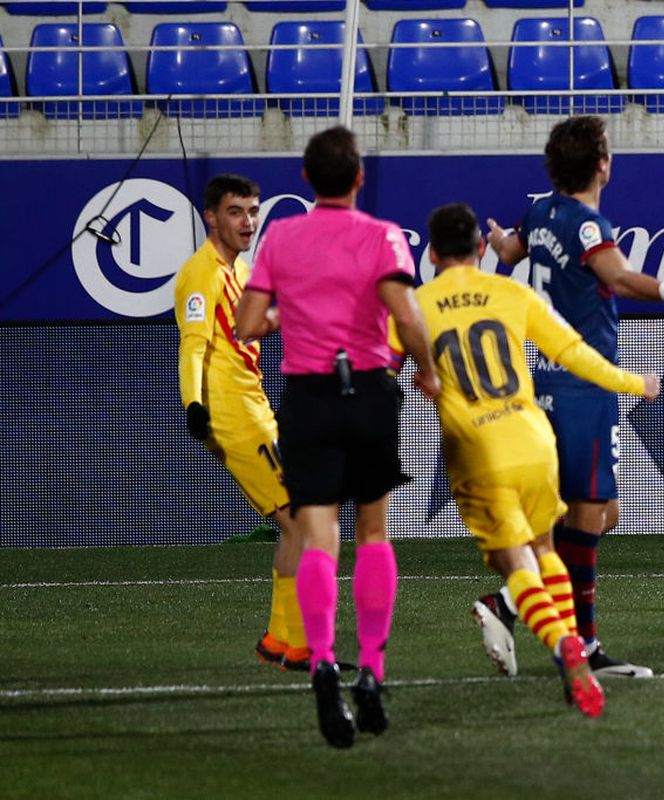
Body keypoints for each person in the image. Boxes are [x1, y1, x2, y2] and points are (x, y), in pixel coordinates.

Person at [482, 115, 664, 680]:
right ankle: (572, 638)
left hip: (543, 378)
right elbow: (616, 277)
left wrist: (498, 241)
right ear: (601, 164)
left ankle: (514, 603)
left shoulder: (540, 211)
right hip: (583, 384)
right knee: (591, 511)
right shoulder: (588, 225)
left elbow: (511, 248)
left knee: (599, 513)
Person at [235, 126, 439, 749]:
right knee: (373, 532)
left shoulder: (282, 237)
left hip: (309, 399)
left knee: (318, 537)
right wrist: (427, 371)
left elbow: (247, 323)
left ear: (305, 180)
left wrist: (283, 313)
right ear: (358, 179)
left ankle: (322, 662)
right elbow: (406, 316)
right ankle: (371, 671)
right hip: (371, 391)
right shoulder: (381, 237)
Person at [418, 202, 661, 716]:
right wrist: (635, 382)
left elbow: (375, 362)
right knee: (548, 547)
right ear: (482, 250)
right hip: (532, 441)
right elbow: (575, 353)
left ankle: (562, 646)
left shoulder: (416, 306)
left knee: (516, 561)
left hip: (477, 450)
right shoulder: (513, 293)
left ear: (432, 253)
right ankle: (571, 640)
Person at [175, 174, 311, 673]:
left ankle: (280, 640)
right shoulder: (201, 272)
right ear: (211, 217)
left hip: (256, 408)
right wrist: (194, 404)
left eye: (252, 211)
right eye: (235, 212)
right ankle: (298, 645)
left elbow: (246, 330)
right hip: (234, 415)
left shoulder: (241, 268)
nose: (248, 221)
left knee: (294, 523)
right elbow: (193, 344)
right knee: (301, 520)